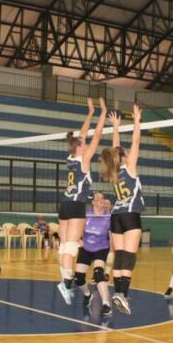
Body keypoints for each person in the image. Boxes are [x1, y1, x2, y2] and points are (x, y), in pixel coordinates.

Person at [56, 97, 106, 304]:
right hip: (76, 206)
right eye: (83, 145)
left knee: (63, 247)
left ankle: (64, 282)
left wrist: (90, 113)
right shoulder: (84, 160)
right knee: (71, 247)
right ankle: (66, 283)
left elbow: (83, 135)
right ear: (79, 149)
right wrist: (102, 114)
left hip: (64, 205)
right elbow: (95, 138)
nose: (86, 145)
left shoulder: (71, 159)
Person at [101, 104, 144, 315]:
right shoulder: (130, 167)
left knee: (119, 257)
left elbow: (115, 150)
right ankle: (123, 295)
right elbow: (135, 141)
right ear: (124, 158)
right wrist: (136, 121)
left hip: (115, 216)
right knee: (128, 257)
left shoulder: (113, 172)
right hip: (130, 215)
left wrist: (116, 127)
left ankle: (118, 293)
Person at [73, 192, 113, 318]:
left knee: (98, 274)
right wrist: (78, 238)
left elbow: (112, 236)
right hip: (86, 248)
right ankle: (87, 295)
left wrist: (113, 249)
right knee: (78, 278)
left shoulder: (109, 216)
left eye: (102, 197)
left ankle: (106, 305)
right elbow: (77, 228)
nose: (100, 199)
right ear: (93, 202)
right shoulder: (86, 214)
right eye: (98, 198)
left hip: (101, 248)